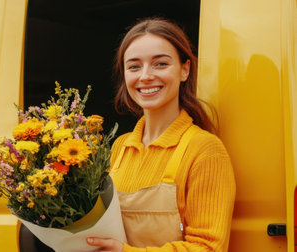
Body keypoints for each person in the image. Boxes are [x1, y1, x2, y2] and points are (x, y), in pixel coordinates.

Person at [86, 18, 236, 251]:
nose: (145, 76)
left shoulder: (204, 149)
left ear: (184, 70)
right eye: (134, 66)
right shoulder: (120, 147)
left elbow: (208, 247)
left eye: (160, 64)